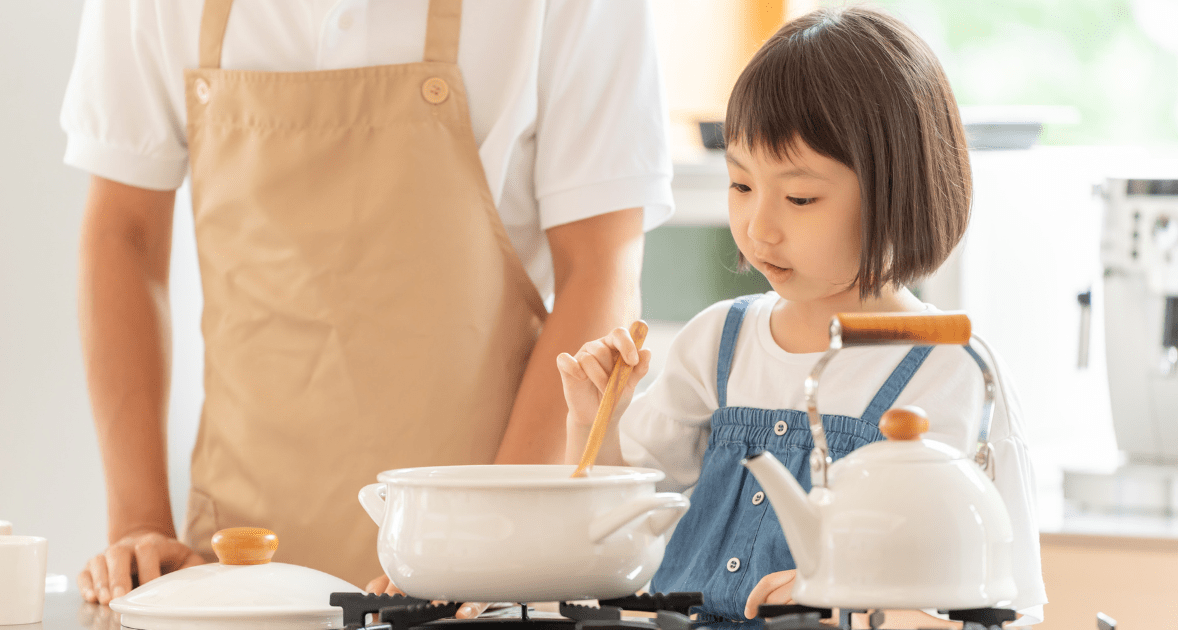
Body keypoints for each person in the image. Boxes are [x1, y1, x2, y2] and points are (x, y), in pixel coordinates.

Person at [61, 0, 673, 607]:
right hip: (235, 572)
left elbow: (600, 267)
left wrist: (486, 551)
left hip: (489, 577)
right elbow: (125, 238)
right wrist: (141, 528)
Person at [558, 6, 1048, 627]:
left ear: (897, 192)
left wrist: (859, 600)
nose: (759, 227)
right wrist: (593, 421)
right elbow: (614, 535)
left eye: (799, 198)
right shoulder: (718, 343)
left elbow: (1008, 607)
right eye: (740, 186)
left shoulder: (954, 371)